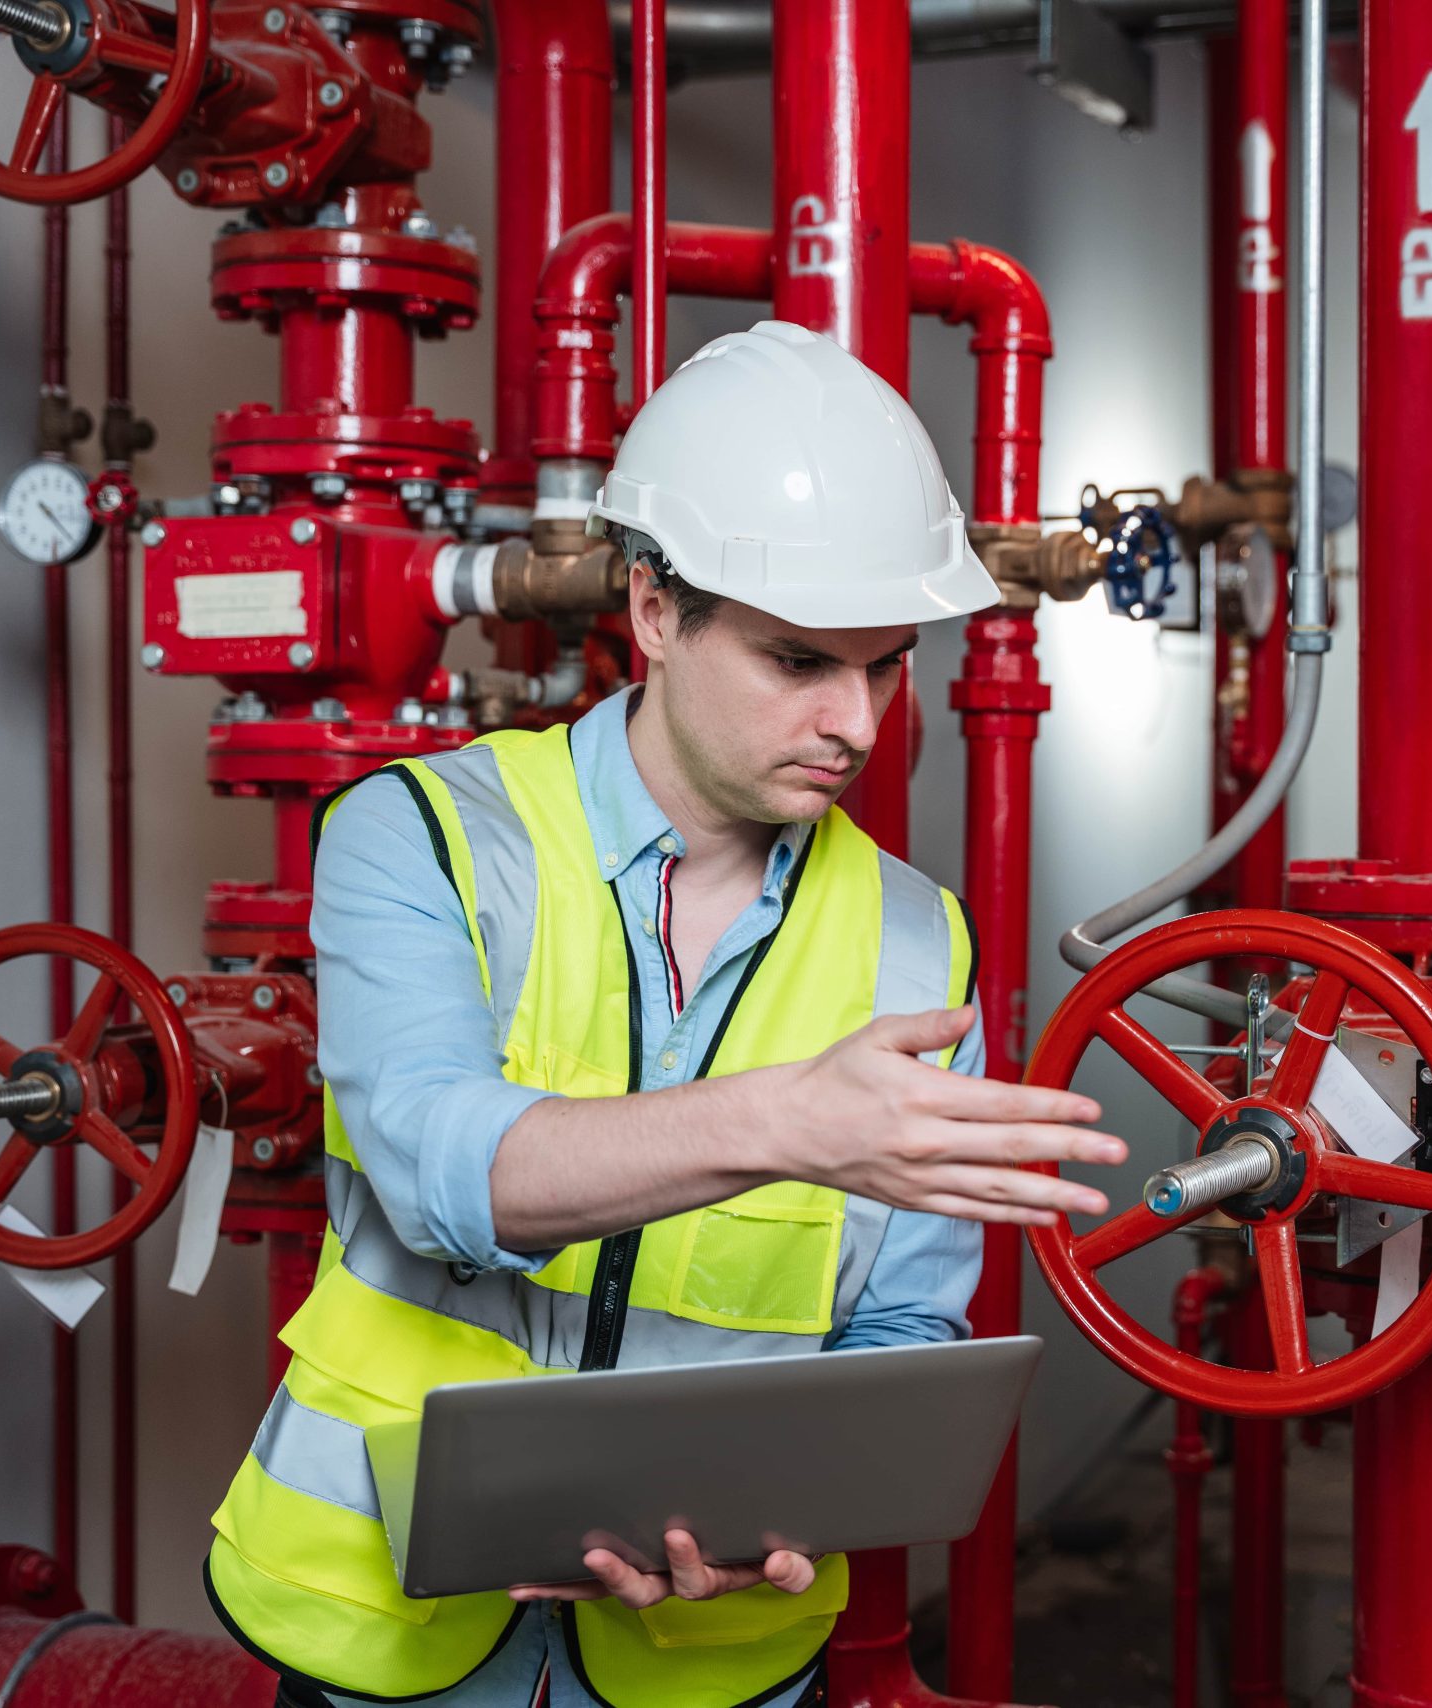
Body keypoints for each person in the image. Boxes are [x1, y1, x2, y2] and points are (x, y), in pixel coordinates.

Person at [204, 322, 1129, 1707]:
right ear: (650, 610)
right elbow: (446, 1172)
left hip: (706, 1651)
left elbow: (897, 1336)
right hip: (383, 1631)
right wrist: (788, 1124)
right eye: (801, 660)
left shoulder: (916, 943)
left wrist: (784, 1505)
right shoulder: (426, 838)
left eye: (887, 666)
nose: (858, 724)